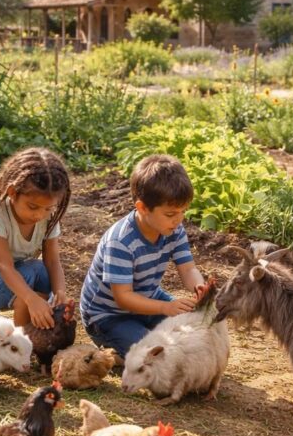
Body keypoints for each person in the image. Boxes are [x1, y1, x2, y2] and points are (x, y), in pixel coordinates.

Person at [80, 154, 207, 360]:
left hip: (148, 299)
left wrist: (199, 288)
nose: (178, 219)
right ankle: (117, 351)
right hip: (108, 316)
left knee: (192, 331)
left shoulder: (174, 228)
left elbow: (188, 269)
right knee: (155, 353)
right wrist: (166, 308)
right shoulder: (121, 241)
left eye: (183, 211)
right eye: (170, 214)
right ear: (142, 208)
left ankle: (137, 337)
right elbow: (123, 298)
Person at [0, 147, 71, 329]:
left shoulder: (49, 220)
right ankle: (22, 338)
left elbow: (52, 262)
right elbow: (5, 266)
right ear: (13, 193)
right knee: (30, 272)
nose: (39, 215)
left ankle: (36, 331)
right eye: (32, 206)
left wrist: (60, 293)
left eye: (48, 208)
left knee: (43, 272)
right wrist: (31, 298)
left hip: (17, 277)